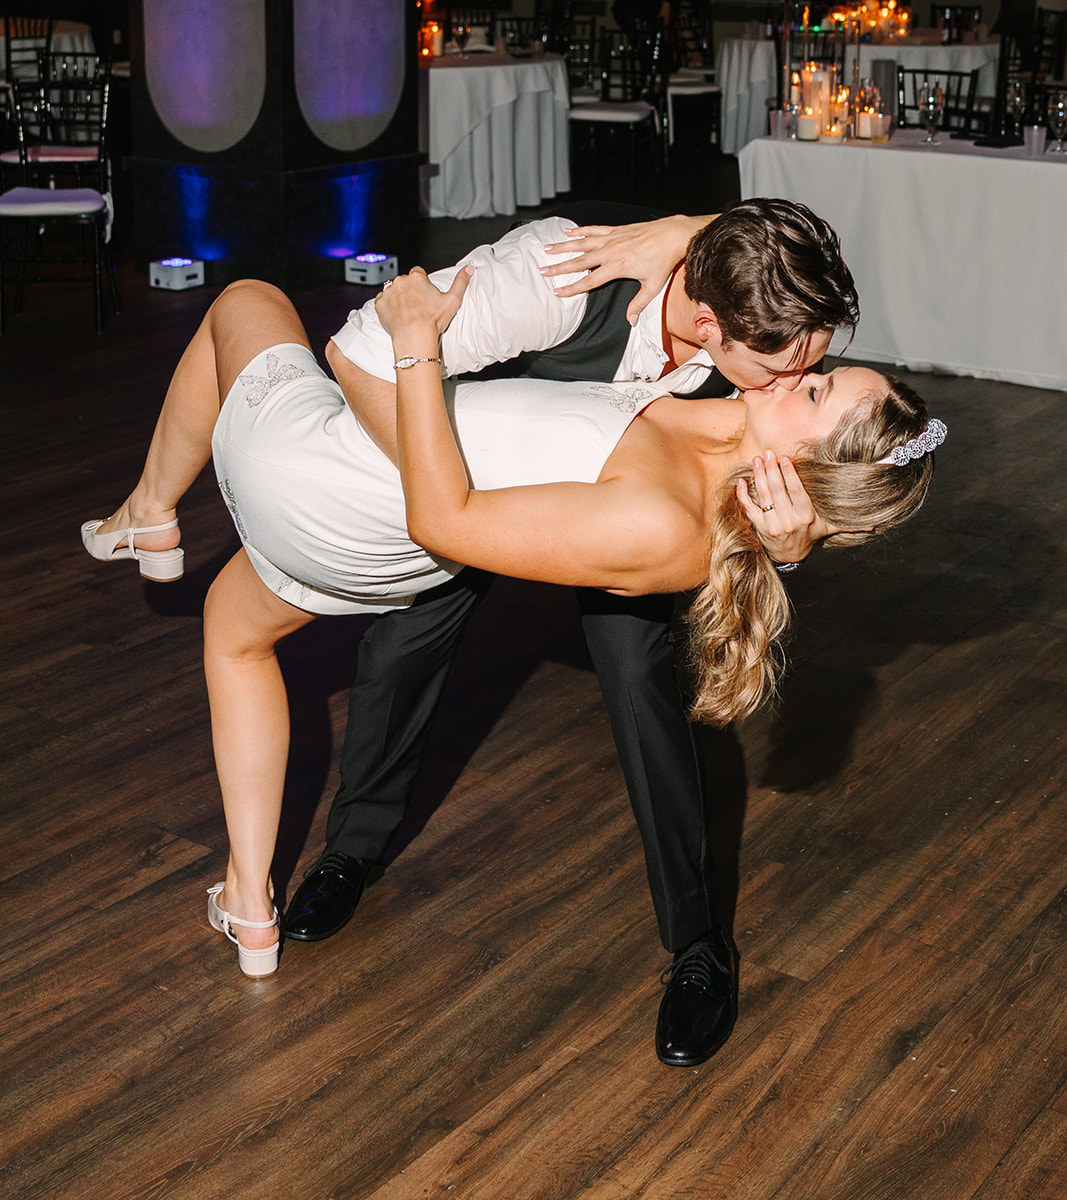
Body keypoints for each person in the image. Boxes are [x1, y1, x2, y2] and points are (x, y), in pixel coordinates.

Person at [82, 269, 941, 1004]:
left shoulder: (664, 523)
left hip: (342, 483)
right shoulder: (724, 423)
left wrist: (415, 341)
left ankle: (150, 512)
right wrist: (671, 228)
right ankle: (250, 907)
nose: (800, 370)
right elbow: (759, 266)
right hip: (363, 520)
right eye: (822, 369)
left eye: (819, 390)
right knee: (234, 632)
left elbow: (442, 520)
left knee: (245, 298)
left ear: (811, 472)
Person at [288, 199, 861, 1069]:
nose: (791, 385)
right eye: (784, 368)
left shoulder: (762, 327)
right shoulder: (556, 277)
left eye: (810, 365)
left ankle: (699, 944)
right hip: (471, 476)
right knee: (405, 639)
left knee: (644, 685)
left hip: (624, 515)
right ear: (711, 323)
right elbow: (356, 349)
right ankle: (350, 852)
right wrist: (456, 506)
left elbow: (836, 463)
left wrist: (792, 547)